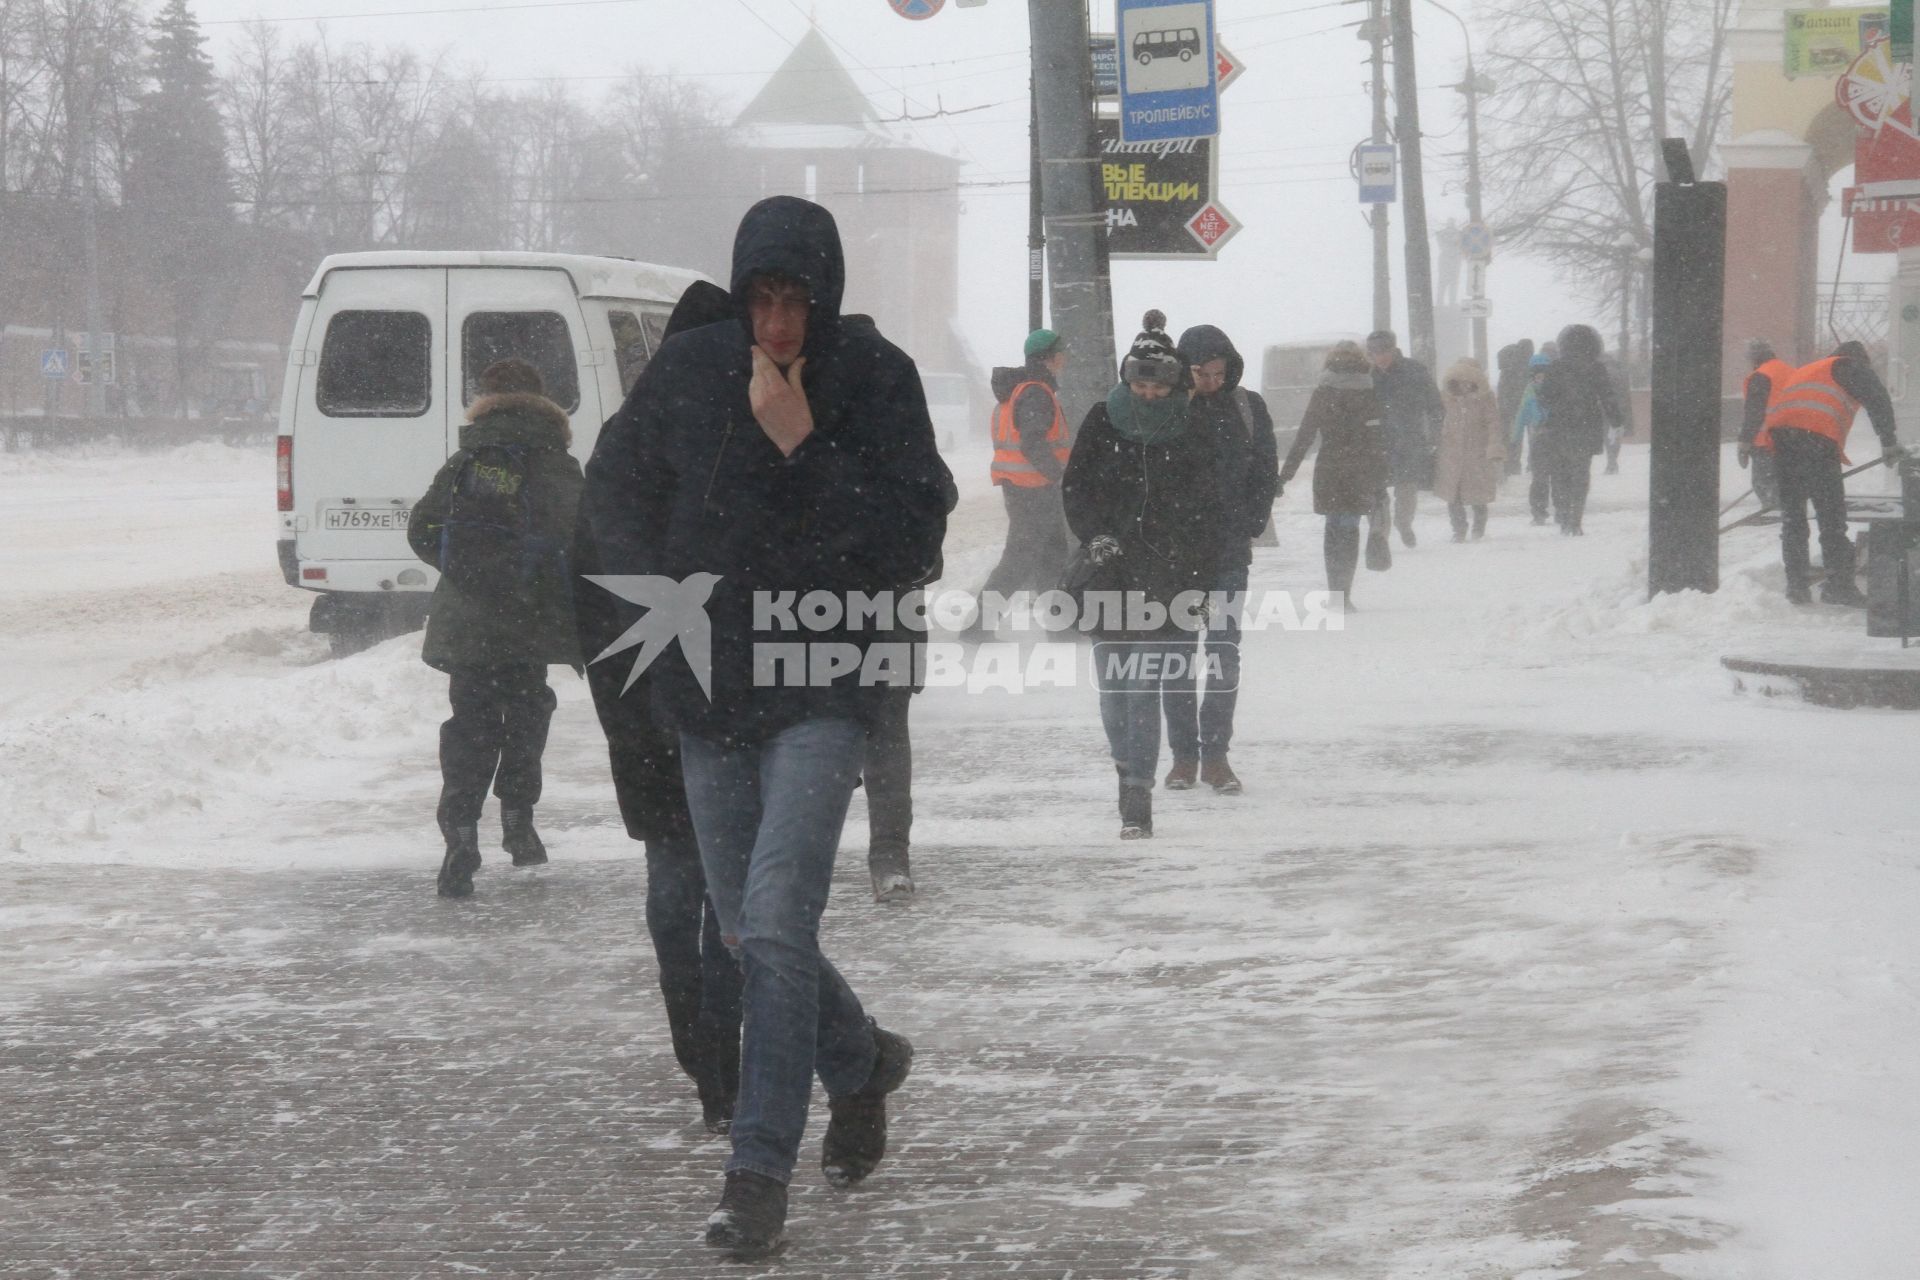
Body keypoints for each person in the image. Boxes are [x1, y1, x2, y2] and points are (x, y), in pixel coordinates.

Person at [584, 196, 952, 1257]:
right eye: (763, 299)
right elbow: (613, 493)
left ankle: (755, 1173)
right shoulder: (692, 371)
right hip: (709, 695)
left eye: (797, 301)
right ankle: (863, 1059)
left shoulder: (876, 379)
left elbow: (915, 532)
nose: (779, 325)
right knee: (747, 931)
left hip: (825, 685)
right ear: (741, 293)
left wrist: (805, 450)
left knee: (778, 921)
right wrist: (659, 604)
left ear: (825, 297)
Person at [574, 279, 743, 1135]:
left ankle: (716, 1067)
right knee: (720, 898)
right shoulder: (712, 442)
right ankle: (721, 1063)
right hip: (683, 714)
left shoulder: (627, 440)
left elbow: (587, 595)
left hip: (658, 714)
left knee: (694, 895)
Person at [407, 358, 581, 899]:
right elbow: (583, 539)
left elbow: (421, 529)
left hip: (471, 624)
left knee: (470, 723)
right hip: (529, 622)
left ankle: (460, 834)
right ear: (543, 401)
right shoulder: (558, 464)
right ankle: (518, 820)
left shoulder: (468, 459)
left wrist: (467, 574)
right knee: (527, 712)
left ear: (485, 399)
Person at [1062, 329, 1219, 839]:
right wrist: (1095, 536)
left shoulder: (1191, 427)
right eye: (1140, 386)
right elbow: (1077, 485)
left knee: (1142, 683)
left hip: (1166, 573)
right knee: (1112, 686)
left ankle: (1136, 792)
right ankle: (1125, 763)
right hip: (1109, 568)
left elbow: (1205, 502)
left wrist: (1197, 568)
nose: (1148, 396)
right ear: (1127, 380)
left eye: (1158, 388)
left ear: (1173, 386)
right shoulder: (1101, 419)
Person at [1163, 323, 1279, 795]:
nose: (1210, 381)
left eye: (1217, 372)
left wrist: (1250, 522)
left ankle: (1216, 754)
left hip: (1229, 552)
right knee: (1177, 657)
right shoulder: (1168, 409)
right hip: (1175, 557)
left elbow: (1265, 469)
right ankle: (1182, 757)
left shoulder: (1247, 408)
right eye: (1199, 373)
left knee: (1223, 655)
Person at [1757, 339, 1909, 604]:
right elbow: (1877, 396)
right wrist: (1888, 441)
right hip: (1815, 443)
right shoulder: (1849, 366)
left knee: (1793, 520)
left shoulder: (1809, 369)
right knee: (1831, 521)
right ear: (1859, 359)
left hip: (1782, 443)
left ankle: (1797, 588)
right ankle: (1838, 587)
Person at [966, 328, 1072, 640]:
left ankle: (1060, 625)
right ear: (1050, 358)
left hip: (1028, 488)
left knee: (1053, 555)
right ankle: (977, 627)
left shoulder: (1026, 389)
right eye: (1061, 352)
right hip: (1032, 489)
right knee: (1019, 560)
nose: (1065, 358)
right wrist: (1057, 474)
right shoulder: (1036, 392)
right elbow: (1032, 442)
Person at [1277, 340, 1387, 608]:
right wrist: (1380, 479)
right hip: (1359, 469)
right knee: (1349, 528)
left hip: (1330, 467)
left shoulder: (1323, 392)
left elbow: (1305, 436)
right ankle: (1345, 594)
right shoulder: (1370, 392)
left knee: (1332, 529)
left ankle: (1334, 593)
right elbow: (1378, 438)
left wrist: (1285, 475)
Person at [1534, 324, 1622, 535]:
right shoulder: (1596, 367)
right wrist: (1616, 420)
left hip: (1559, 426)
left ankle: (1563, 514)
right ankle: (1575, 519)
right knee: (1581, 473)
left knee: (1561, 472)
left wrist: (1556, 404)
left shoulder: (1555, 367)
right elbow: (1607, 396)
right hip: (1587, 426)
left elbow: (1544, 397)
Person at [1365, 329, 1445, 549]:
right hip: (1376, 441)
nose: (1379, 357)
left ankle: (1403, 523)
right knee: (1376, 489)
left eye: (1383, 351)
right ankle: (1380, 533)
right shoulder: (1366, 376)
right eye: (1374, 353)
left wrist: (1435, 431)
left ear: (1393, 349)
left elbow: (1434, 404)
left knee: (1406, 486)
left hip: (1409, 438)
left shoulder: (1414, 371)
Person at [1434, 358, 1505, 541]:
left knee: (1478, 495)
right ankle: (1459, 529)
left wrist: (1494, 447)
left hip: (1477, 455)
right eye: (1460, 381)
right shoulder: (1446, 398)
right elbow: (1437, 420)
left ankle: (1478, 528)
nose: (1464, 385)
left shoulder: (1485, 398)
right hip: (1452, 455)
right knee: (1453, 495)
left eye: (1468, 381)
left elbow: (1493, 424)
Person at [1737, 337, 1793, 511]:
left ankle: (1773, 513)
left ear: (1754, 357)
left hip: (1767, 441)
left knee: (1765, 483)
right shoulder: (1791, 372)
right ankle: (1788, 512)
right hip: (1794, 437)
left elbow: (1754, 413)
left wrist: (1744, 443)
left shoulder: (1761, 376)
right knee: (1787, 482)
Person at [1517, 351, 1554, 523]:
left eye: (1544, 374)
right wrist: (1515, 434)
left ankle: (1559, 509)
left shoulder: (1555, 388)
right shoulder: (1529, 391)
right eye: (1537, 374)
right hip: (1538, 437)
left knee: (1554, 475)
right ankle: (1538, 511)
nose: (1541, 378)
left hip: (1552, 435)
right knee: (1540, 476)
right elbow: (1521, 414)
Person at [1495, 339, 1535, 477]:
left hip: (1507, 406)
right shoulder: (1524, 364)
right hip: (1522, 405)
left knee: (1511, 437)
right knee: (1527, 436)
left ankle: (1510, 465)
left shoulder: (1508, 364)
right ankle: (1520, 465)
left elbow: (1503, 387)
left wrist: (1502, 405)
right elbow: (1525, 387)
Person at [1602, 347, 1634, 475]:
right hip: (1620, 407)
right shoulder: (1621, 370)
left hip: (1605, 408)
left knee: (1607, 435)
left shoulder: (1602, 370)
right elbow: (1625, 391)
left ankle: (1611, 462)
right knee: (1615, 434)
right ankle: (1613, 461)